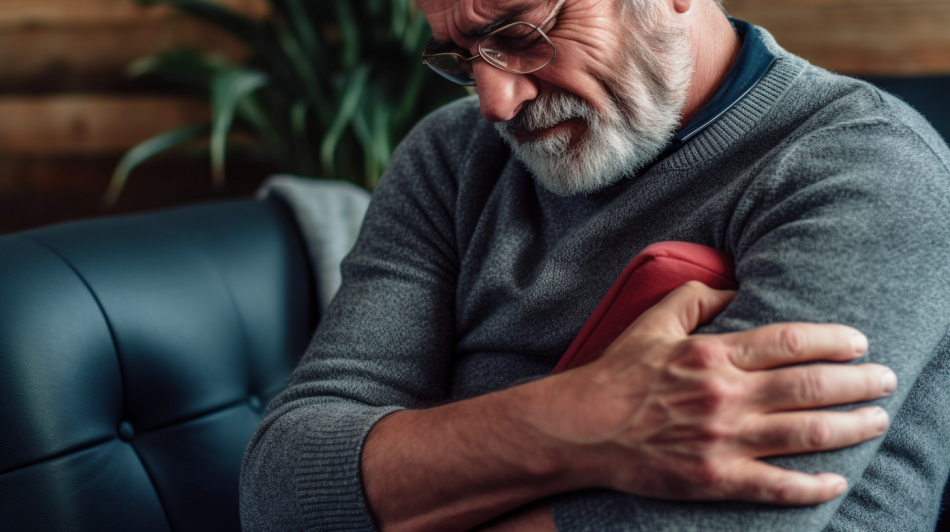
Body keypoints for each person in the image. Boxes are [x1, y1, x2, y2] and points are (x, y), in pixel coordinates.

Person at [240, 0, 950, 530]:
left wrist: (418, 482)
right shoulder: (450, 158)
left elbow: (732, 519)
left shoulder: (864, 168)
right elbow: (280, 487)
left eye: (520, 36)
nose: (494, 101)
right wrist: (585, 418)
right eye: (460, 57)